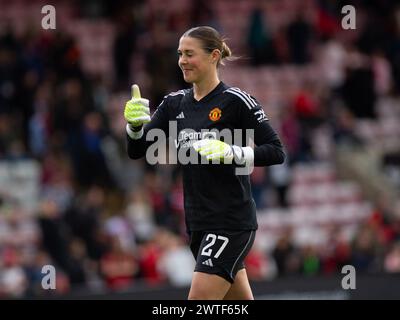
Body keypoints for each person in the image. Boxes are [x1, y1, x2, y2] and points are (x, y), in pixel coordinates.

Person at [124, 26, 285, 300]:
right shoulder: (174, 104)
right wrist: (135, 127)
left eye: (189, 54)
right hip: (198, 223)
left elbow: (276, 151)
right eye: (179, 54)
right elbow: (137, 151)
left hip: (231, 222)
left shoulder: (236, 101)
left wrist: (232, 153)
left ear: (213, 56)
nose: (182, 61)